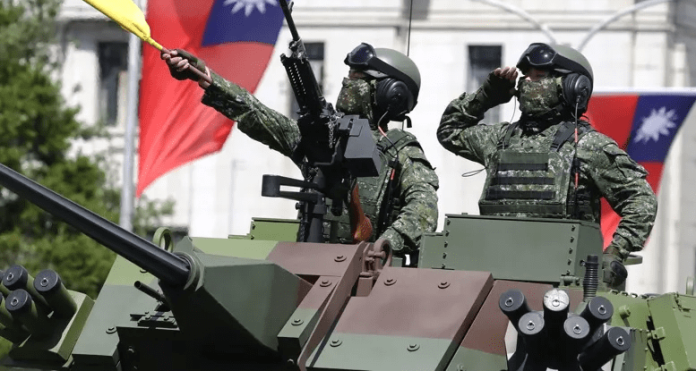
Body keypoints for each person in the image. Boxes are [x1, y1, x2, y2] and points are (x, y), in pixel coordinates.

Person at [161, 42, 439, 257]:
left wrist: (384, 245)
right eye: (349, 74)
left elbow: (423, 210)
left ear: (390, 92)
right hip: (306, 261)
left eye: (358, 77)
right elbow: (256, 114)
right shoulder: (325, 136)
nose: (347, 82)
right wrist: (205, 77)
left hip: (365, 275)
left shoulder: (401, 150)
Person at [437, 42, 657, 288]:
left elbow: (641, 201)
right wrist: (487, 96)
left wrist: (616, 251)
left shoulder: (588, 145)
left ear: (573, 87)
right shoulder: (498, 139)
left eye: (539, 76)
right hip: (491, 276)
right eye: (526, 76)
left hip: (562, 285)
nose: (527, 83)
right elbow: (449, 131)